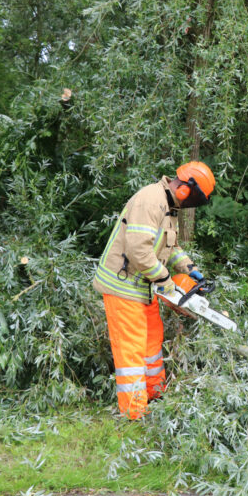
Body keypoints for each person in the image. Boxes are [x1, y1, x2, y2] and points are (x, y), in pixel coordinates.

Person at [93, 161, 215, 419]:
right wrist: (166, 281)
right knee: (132, 350)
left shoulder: (169, 208)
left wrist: (189, 267)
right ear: (185, 189)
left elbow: (170, 247)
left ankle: (155, 393)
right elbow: (138, 250)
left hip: (143, 288)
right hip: (124, 286)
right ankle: (135, 413)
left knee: (151, 342)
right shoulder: (151, 201)